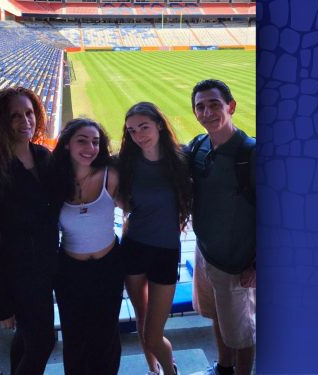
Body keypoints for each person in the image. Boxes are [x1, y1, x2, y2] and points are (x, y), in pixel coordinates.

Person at [0, 87, 59, 375]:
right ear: (1, 123)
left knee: (26, 338)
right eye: (15, 116)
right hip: (20, 274)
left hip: (47, 267)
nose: (26, 120)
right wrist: (2, 302)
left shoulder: (44, 157)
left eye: (29, 113)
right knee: (44, 340)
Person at [118, 102, 193, 375]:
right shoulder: (126, 162)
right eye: (132, 130)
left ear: (159, 124)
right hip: (134, 248)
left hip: (166, 252)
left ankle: (170, 370)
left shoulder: (182, 159)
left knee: (154, 333)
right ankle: (153, 370)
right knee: (142, 318)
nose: (138, 135)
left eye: (144, 127)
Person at [187, 79, 256, 375]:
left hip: (237, 262)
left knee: (242, 333)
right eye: (200, 107)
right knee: (216, 315)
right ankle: (223, 368)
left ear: (231, 106)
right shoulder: (198, 146)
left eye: (214, 104)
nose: (207, 112)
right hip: (205, 253)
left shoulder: (250, 154)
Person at [53, 118, 123, 375]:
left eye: (95, 142)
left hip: (108, 268)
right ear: (67, 145)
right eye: (82, 140)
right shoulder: (55, 181)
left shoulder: (110, 175)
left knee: (105, 335)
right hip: (70, 271)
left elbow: (134, 209)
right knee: (74, 335)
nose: (90, 147)